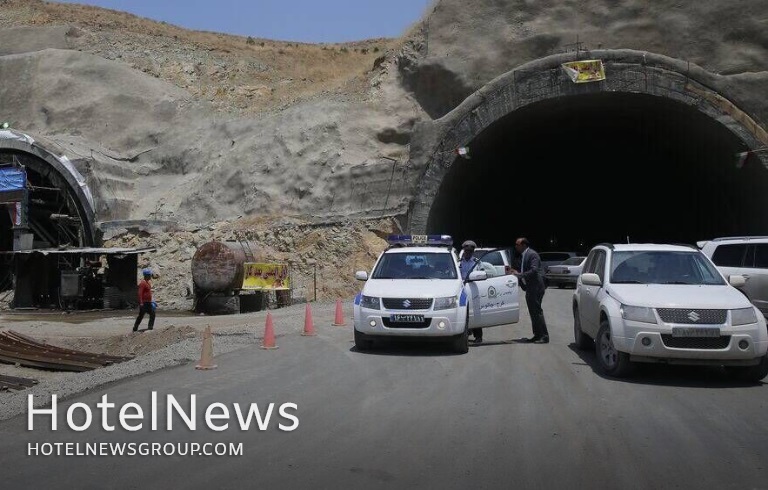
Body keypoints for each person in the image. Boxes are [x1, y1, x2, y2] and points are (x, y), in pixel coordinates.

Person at [511, 237, 549, 343]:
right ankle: (537, 335)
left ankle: (544, 336)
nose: (516, 247)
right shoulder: (524, 255)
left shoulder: (532, 254)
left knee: (537, 311)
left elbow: (534, 270)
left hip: (536, 286)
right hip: (530, 287)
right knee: (533, 312)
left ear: (524, 245)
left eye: (517, 245)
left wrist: (519, 275)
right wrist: (516, 272)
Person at [458, 240, 484, 344]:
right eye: (466, 250)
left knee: (476, 313)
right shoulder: (458, 263)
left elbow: (482, 275)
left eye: (470, 251)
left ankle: (478, 337)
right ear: (464, 250)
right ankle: (464, 335)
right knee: (463, 313)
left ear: (473, 251)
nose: (468, 253)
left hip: (474, 290)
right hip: (462, 290)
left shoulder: (478, 262)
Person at [133, 268, 155, 332]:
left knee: (152, 314)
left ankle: (150, 327)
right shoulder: (143, 283)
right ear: (146, 275)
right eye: (149, 275)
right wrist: (141, 303)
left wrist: (151, 301)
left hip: (148, 302)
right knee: (141, 316)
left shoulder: (148, 283)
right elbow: (140, 293)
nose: (150, 276)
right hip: (144, 303)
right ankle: (135, 328)